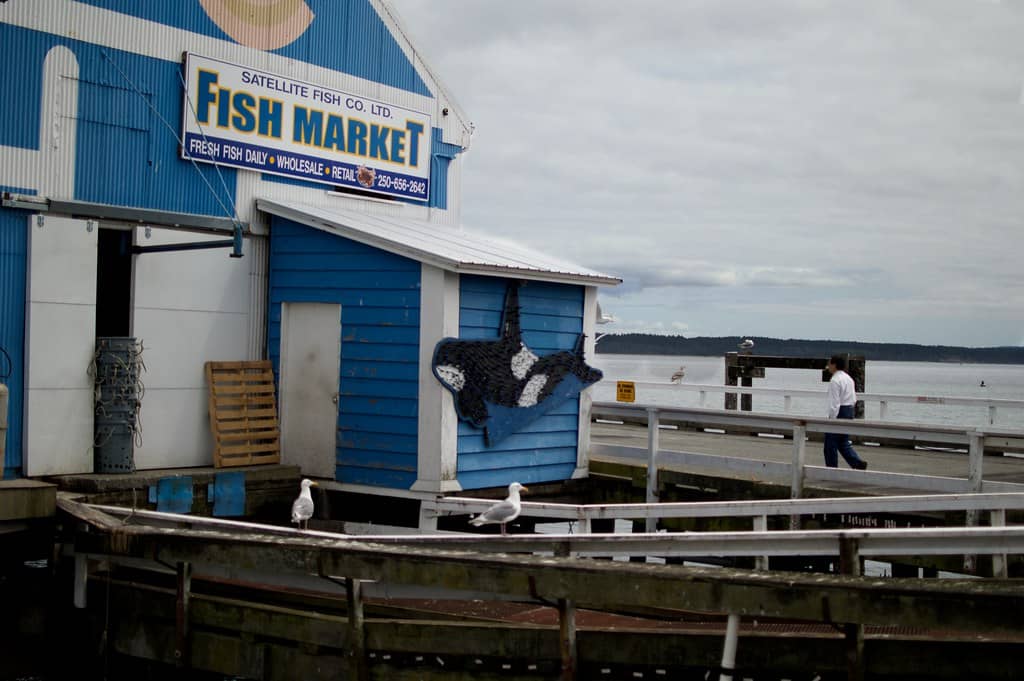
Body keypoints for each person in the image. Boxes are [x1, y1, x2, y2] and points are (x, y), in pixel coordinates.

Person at [824, 355, 868, 470]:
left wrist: (831, 419)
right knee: (843, 441)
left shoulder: (835, 380)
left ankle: (831, 468)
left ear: (834, 365)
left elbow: (835, 403)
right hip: (849, 410)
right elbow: (853, 399)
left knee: (830, 443)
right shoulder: (848, 378)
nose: (828, 366)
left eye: (829, 363)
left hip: (840, 411)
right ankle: (857, 463)